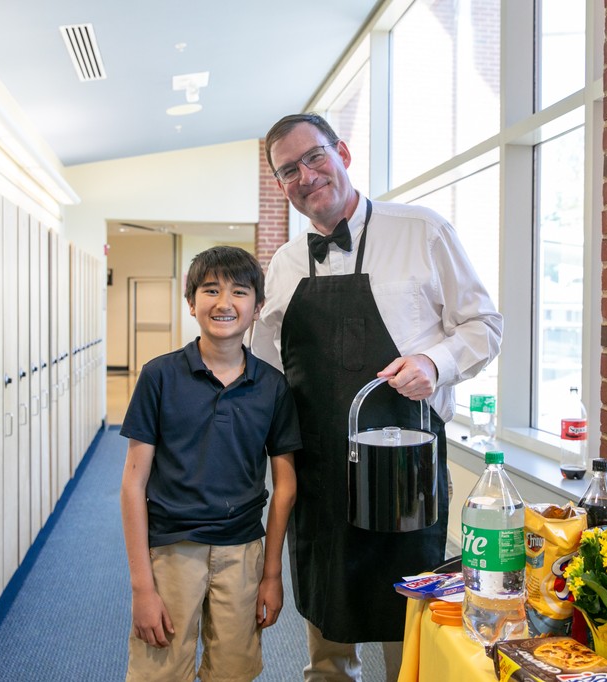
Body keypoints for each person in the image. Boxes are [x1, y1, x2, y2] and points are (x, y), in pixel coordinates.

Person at [251, 113, 503, 681]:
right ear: (281, 186)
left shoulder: (422, 231)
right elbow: (265, 365)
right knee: (328, 635)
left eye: (314, 157)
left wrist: (433, 364)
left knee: (407, 634)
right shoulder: (287, 263)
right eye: (289, 170)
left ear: (341, 151)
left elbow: (484, 326)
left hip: (404, 472)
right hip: (318, 476)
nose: (306, 175)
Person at [120, 245, 301, 682]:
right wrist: (142, 587)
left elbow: (286, 487)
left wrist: (272, 574)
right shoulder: (159, 376)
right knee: (160, 670)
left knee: (234, 672)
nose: (224, 303)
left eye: (239, 292)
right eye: (210, 290)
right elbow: (132, 485)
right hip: (171, 547)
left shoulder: (272, 387)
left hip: (242, 549)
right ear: (190, 303)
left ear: (257, 308)